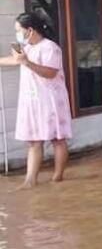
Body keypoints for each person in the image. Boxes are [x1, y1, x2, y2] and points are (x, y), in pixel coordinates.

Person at [0, 13, 71, 189]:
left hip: (51, 101)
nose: (18, 34)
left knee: (57, 139)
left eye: (19, 31)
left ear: (30, 30)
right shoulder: (28, 47)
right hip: (32, 100)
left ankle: (57, 177)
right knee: (33, 141)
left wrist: (27, 63)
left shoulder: (50, 48)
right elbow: (16, 61)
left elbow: (50, 73)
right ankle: (30, 180)